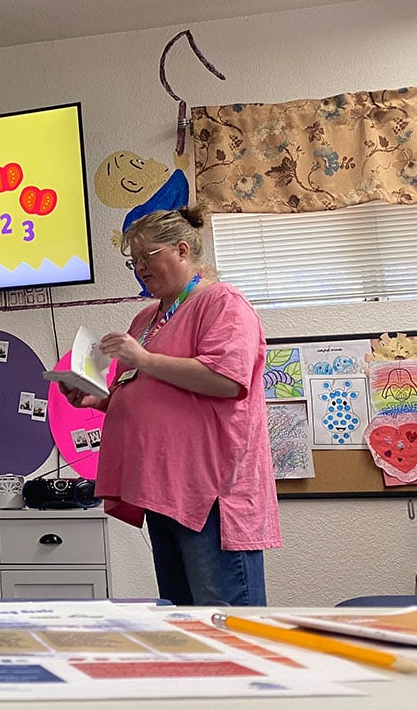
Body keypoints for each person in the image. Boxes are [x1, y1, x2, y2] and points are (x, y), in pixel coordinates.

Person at [60, 203, 281, 606]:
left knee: (226, 623)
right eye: (133, 261)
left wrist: (142, 359)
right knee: (182, 620)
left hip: (210, 492)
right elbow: (154, 396)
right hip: (160, 488)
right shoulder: (146, 319)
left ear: (182, 250)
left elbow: (226, 380)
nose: (140, 267)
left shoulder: (222, 302)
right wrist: (102, 400)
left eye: (148, 256)